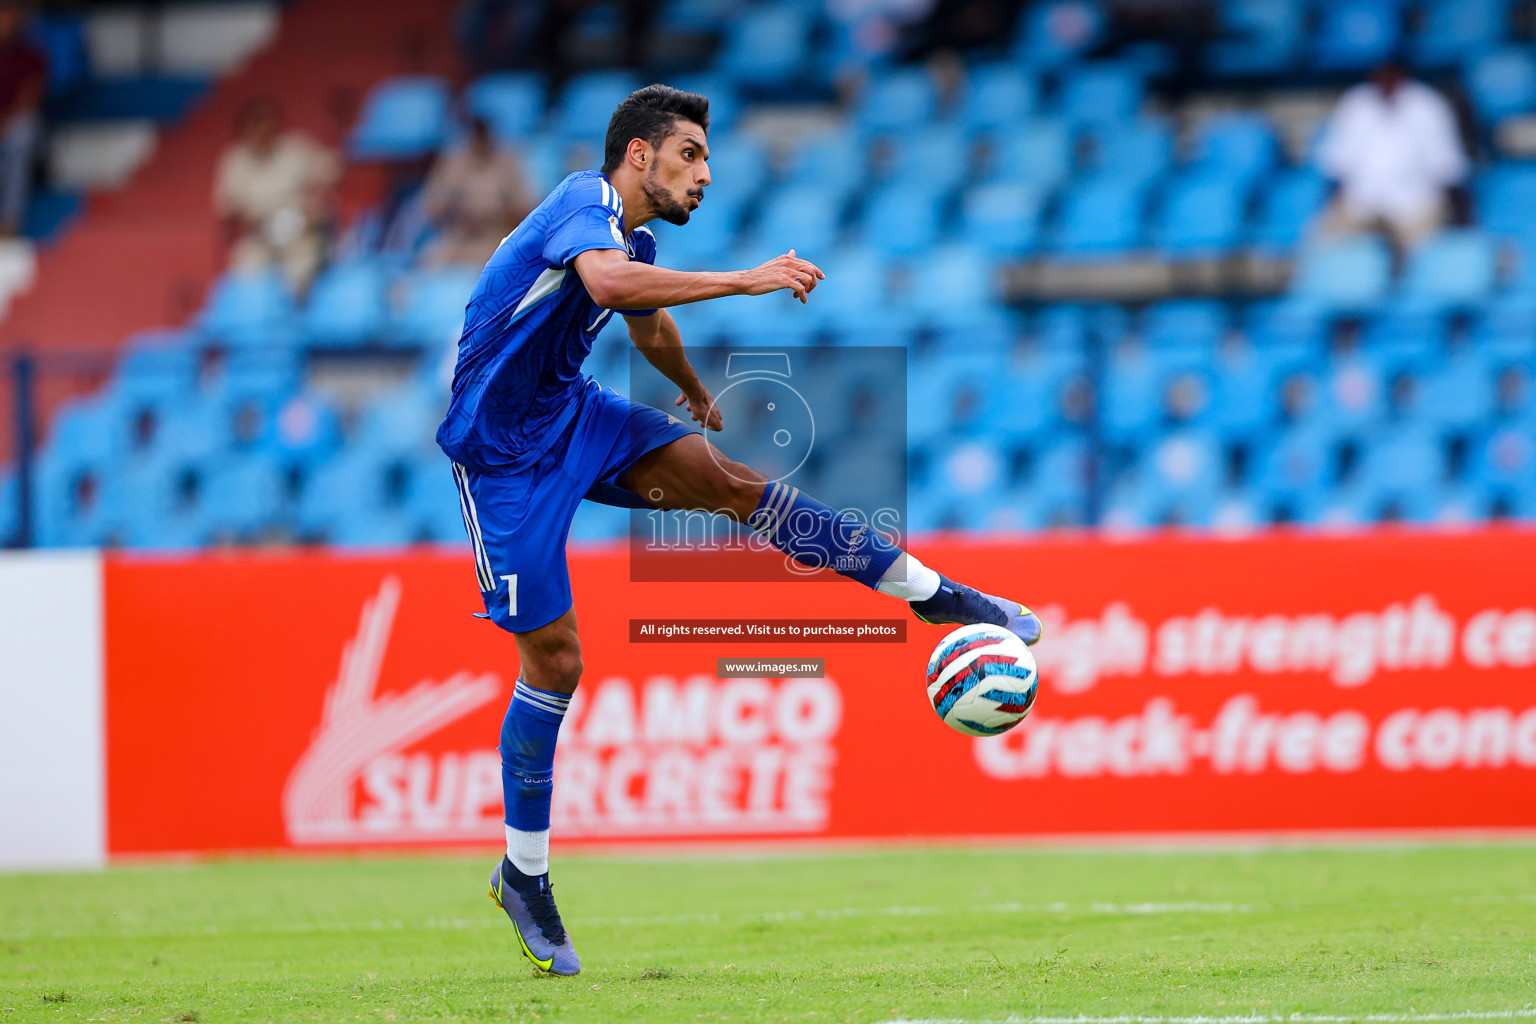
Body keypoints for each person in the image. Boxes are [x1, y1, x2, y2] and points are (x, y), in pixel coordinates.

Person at [436, 84, 1042, 977]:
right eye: (692, 156)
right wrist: (747, 277)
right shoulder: (583, 201)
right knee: (557, 662)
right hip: (499, 457)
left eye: (708, 160)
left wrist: (690, 387)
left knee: (732, 482)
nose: (706, 175)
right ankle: (523, 875)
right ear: (638, 155)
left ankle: (940, 596)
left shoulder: (631, 240)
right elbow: (607, 285)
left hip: (571, 414)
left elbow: (643, 320)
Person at [1314, 59, 1468, 253]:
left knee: (1428, 254)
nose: (1385, 80)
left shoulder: (1428, 105)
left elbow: (1447, 167)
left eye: (1390, 75)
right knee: (1322, 244)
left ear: (1402, 75)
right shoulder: (1355, 103)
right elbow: (1337, 164)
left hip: (1415, 202)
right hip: (1361, 199)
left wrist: (1461, 218)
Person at [213, 97, 340, 293]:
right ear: (244, 129)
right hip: (260, 235)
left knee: (299, 274)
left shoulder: (297, 149)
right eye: (255, 123)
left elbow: (333, 173)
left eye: (266, 121)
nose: (262, 129)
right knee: (245, 275)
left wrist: (317, 203)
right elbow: (227, 210)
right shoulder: (234, 161)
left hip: (302, 233)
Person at [421, 116, 534, 267]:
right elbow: (433, 209)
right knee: (429, 261)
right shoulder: (453, 164)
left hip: (495, 236)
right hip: (459, 237)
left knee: (492, 268)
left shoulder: (508, 163)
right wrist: (458, 214)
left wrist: (493, 216)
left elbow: (527, 210)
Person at [0, 4, 47, 237]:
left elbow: (30, 98)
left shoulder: (31, 54)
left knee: (23, 134)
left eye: (7, 16)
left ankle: (9, 221)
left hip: (15, 125)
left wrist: (5, 124)